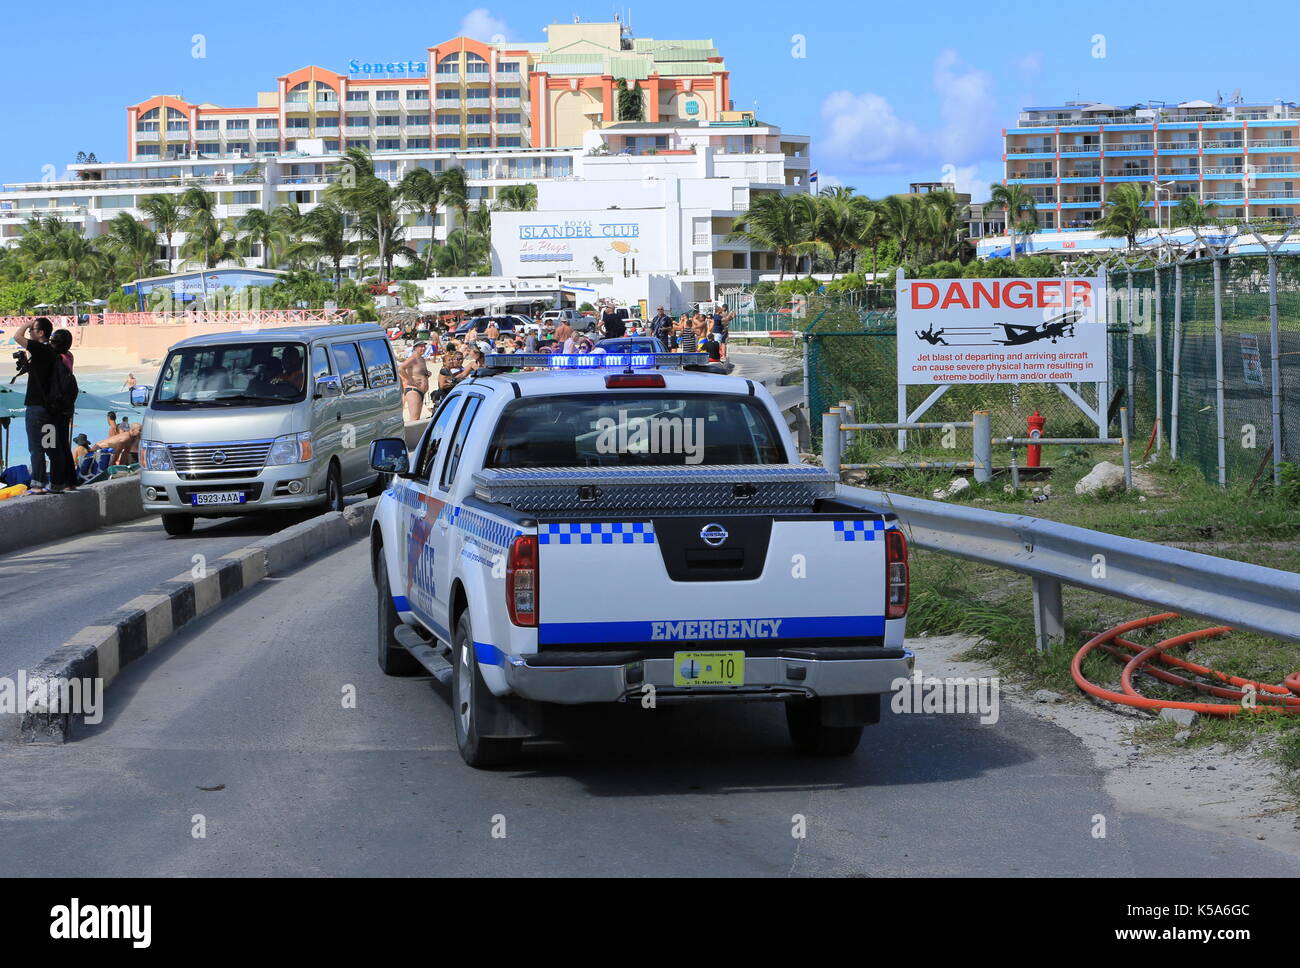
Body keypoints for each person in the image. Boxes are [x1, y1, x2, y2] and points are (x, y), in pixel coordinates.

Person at [14, 318, 77, 494]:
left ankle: (38, 484)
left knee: (36, 447)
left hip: (36, 408)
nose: (29, 333)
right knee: (51, 447)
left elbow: (16, 336)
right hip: (50, 409)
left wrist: (29, 322)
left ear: (40, 333)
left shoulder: (40, 348)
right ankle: (57, 484)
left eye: (32, 330)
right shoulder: (53, 353)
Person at [398, 342, 431, 421]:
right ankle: (411, 433)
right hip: (413, 390)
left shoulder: (422, 359)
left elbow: (419, 373)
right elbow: (401, 369)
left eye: (424, 346)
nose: (423, 348)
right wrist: (409, 379)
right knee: (414, 418)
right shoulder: (412, 359)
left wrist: (427, 373)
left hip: (421, 391)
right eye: (421, 346)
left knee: (417, 418)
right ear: (415, 348)